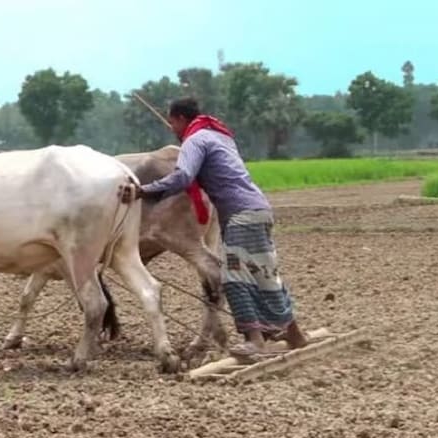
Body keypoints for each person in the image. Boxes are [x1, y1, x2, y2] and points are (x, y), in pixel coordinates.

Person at [120, 96, 308, 360]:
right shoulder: (220, 137)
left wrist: (143, 190)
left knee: (233, 278)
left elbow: (183, 177)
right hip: (259, 209)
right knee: (265, 273)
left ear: (181, 119)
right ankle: (294, 333)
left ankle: (254, 340)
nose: (172, 128)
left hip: (240, 215)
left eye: (173, 122)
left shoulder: (195, 141)